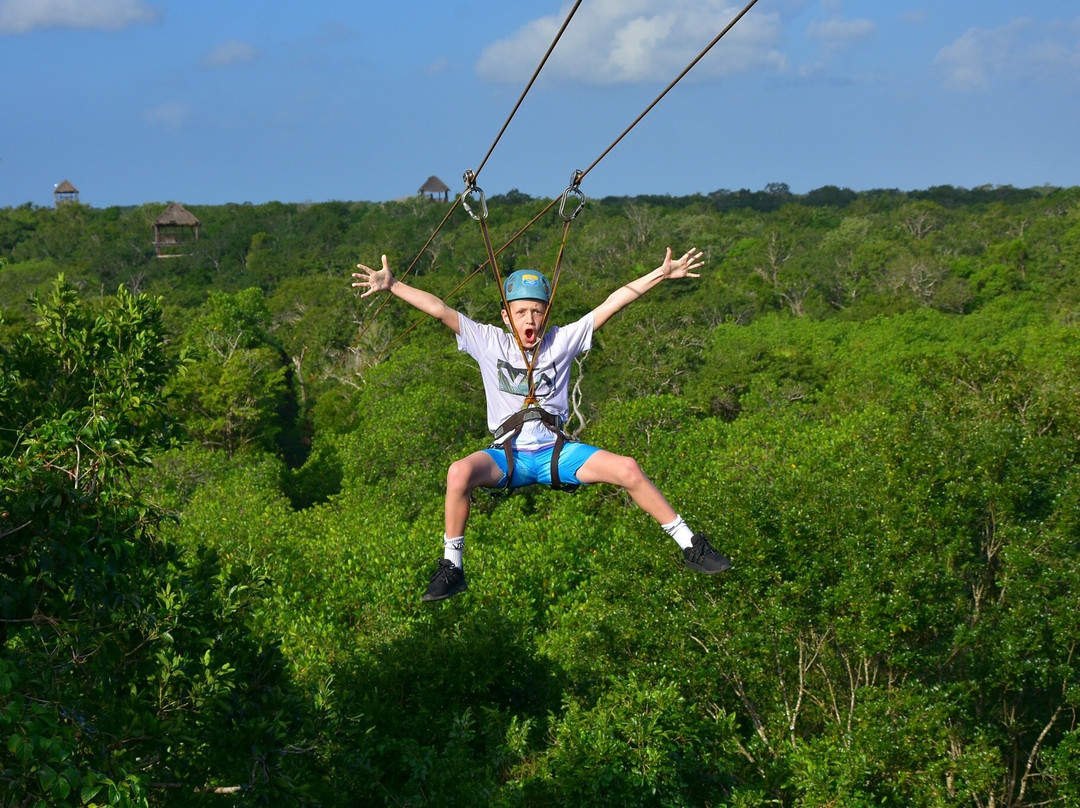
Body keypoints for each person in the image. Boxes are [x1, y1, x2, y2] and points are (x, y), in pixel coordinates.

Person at [351, 248, 731, 602]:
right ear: (505, 315)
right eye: (520, 312)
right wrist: (393, 285)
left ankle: (690, 544)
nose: (529, 320)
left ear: (547, 314)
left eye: (537, 312)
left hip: (557, 454)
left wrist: (660, 275)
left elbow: (613, 302)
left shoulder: (562, 341)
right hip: (508, 456)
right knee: (457, 473)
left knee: (628, 467)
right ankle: (453, 566)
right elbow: (439, 309)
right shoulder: (487, 341)